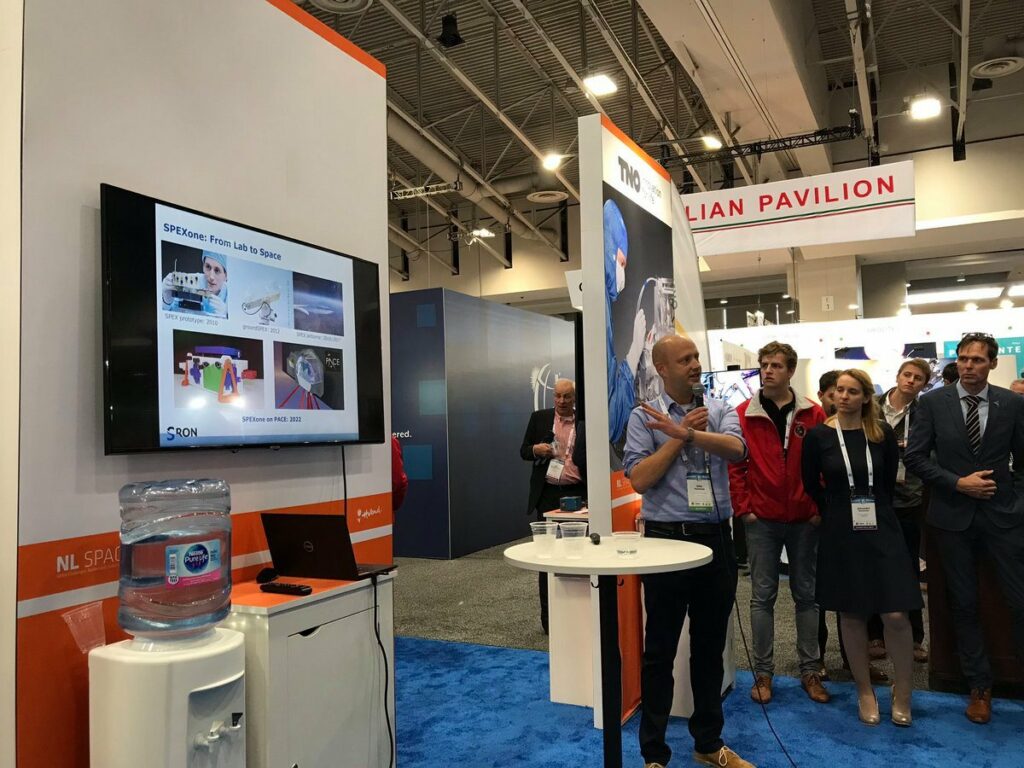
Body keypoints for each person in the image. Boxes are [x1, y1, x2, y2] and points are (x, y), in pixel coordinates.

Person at [624, 335, 753, 768]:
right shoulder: (644, 417)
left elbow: (738, 451)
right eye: (685, 359)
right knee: (659, 649)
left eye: (696, 357)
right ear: (662, 368)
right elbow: (640, 479)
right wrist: (677, 439)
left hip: (716, 538)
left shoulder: (719, 408)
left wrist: (692, 431)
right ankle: (654, 754)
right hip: (665, 538)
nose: (695, 364)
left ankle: (707, 744)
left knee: (709, 647)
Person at [904, 332, 1024, 724]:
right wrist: (958, 483)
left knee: (1018, 600)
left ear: (992, 363)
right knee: (965, 604)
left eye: (978, 359)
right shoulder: (932, 403)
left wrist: (1016, 500)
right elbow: (916, 458)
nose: (970, 366)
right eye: (964, 359)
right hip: (952, 517)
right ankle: (979, 686)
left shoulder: (1011, 403)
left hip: (1003, 515)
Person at [802, 369, 921, 727]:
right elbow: (810, 483)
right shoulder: (819, 436)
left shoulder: (881, 434)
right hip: (841, 528)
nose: (844, 396)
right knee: (851, 613)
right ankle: (864, 690)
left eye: (853, 391)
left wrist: (870, 507)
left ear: (866, 397)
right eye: (839, 390)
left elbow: (886, 481)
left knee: (895, 613)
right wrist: (834, 511)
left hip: (881, 524)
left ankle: (903, 691)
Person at [729, 342, 828, 705]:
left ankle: (810, 671)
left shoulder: (813, 414)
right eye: (764, 364)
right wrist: (745, 508)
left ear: (790, 370)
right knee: (761, 598)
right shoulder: (742, 413)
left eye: (775, 365)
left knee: (808, 596)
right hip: (762, 520)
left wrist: (819, 507)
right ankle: (763, 673)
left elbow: (824, 466)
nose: (768, 370)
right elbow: (735, 465)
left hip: (805, 519)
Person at [865, 359, 931, 663]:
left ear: (924, 384)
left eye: (918, 378)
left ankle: (916, 637)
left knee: (909, 568)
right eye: (907, 375)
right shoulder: (872, 406)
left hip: (909, 497)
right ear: (897, 376)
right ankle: (874, 635)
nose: (911, 381)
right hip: (873, 497)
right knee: (872, 567)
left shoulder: (925, 411)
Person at [519, 379, 586, 633]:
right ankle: (549, 622)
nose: (561, 401)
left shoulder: (584, 422)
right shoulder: (539, 418)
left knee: (576, 554)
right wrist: (536, 449)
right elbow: (523, 451)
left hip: (578, 495)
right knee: (546, 558)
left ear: (574, 398)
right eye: (557, 396)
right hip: (547, 496)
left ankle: (577, 616)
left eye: (567, 396)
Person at [604, 199, 649, 443]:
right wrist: (633, 354)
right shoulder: (600, 303)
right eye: (622, 263)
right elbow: (610, 423)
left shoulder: (603, 305)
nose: (623, 272)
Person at [162, 250, 229, 317]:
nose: (211, 277)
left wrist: (226, 315)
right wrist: (166, 301)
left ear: (226, 276)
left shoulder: (231, 295)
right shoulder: (190, 281)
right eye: (208, 267)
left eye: (217, 270)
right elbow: (166, 314)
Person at [392, 436, 408, 511]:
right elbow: (398, 481)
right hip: (380, 509)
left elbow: (398, 481)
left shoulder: (389, 441)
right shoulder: (389, 441)